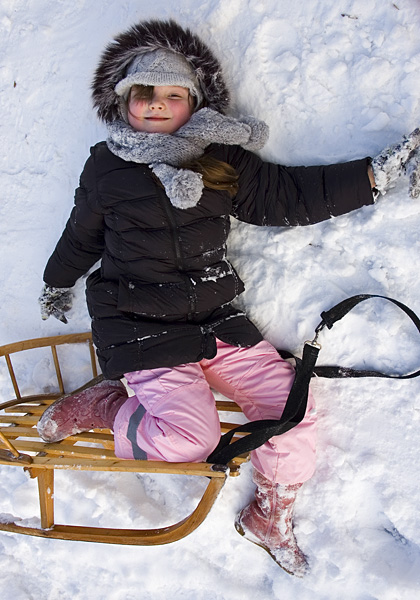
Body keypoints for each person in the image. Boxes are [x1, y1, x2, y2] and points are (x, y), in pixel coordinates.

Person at [36, 19, 420, 577]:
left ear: (193, 103)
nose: (159, 104)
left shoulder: (220, 159)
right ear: (123, 102)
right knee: (193, 440)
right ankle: (106, 408)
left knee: (294, 411)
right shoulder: (107, 165)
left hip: (215, 320)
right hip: (140, 326)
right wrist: (56, 280)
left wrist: (374, 178)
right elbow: (81, 235)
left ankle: (271, 513)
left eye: (174, 94)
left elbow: (287, 196)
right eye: (145, 94)